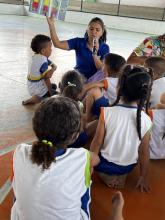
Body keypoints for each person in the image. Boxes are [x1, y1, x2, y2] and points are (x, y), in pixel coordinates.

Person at [11, 96, 100, 220]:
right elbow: (96, 159)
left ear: (35, 129)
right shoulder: (82, 157)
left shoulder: (19, 151)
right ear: (74, 137)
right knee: (88, 170)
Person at [90, 65, 153, 192]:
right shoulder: (146, 120)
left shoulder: (106, 112)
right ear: (145, 94)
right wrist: (142, 177)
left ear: (120, 88)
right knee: (129, 159)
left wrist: (90, 165)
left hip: (104, 165)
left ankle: (106, 176)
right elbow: (144, 152)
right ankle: (121, 175)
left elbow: (96, 143)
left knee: (91, 156)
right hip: (128, 167)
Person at [46, 16, 109, 82]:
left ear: (102, 32)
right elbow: (57, 44)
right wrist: (51, 25)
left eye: (97, 30)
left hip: (94, 80)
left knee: (93, 91)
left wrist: (95, 54)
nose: (94, 32)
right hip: (79, 78)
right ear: (87, 30)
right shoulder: (78, 42)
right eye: (91, 29)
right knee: (67, 83)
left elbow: (101, 68)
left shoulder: (105, 47)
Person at [59, 70, 98, 148]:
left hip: (56, 141)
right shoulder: (78, 105)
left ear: (60, 86)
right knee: (98, 122)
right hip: (74, 142)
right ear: (81, 90)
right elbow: (81, 130)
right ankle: (86, 149)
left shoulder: (52, 102)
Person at [82, 53, 126, 122]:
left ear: (106, 70)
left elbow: (90, 85)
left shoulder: (108, 81)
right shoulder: (124, 80)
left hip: (110, 110)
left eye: (103, 65)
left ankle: (88, 117)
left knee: (93, 90)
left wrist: (80, 92)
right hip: (120, 111)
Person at [22, 34, 57, 105]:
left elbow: (47, 61)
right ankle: (33, 99)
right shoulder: (43, 61)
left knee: (54, 86)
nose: (51, 50)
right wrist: (51, 92)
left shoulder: (36, 56)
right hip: (36, 88)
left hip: (31, 85)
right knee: (51, 95)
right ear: (43, 51)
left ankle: (40, 94)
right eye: (50, 48)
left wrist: (53, 65)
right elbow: (47, 77)